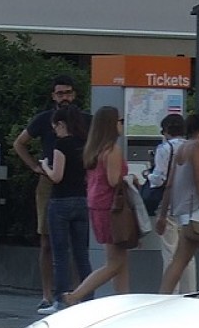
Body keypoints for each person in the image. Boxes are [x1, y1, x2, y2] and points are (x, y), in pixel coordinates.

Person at [12, 75, 87, 311]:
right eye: (60, 93)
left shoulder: (85, 119)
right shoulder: (45, 119)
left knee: (78, 245)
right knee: (47, 241)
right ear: (53, 96)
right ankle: (47, 294)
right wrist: (35, 166)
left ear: (74, 94)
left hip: (76, 183)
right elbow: (19, 143)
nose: (64, 97)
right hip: (50, 181)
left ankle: (76, 293)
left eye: (68, 92)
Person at [61, 106, 132, 305]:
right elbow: (113, 180)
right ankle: (76, 295)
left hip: (97, 206)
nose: (122, 125)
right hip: (113, 210)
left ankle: (124, 301)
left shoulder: (94, 150)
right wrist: (130, 177)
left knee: (120, 260)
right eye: (120, 121)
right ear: (111, 124)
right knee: (115, 263)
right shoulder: (113, 150)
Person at [159, 110, 199, 295]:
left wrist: (162, 215)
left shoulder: (182, 148)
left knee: (179, 262)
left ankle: (160, 300)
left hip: (184, 215)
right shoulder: (198, 147)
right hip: (198, 214)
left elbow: (169, 185)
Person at [36, 105, 92, 315]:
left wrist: (45, 166)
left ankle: (60, 301)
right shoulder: (84, 143)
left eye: (55, 127)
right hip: (81, 200)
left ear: (61, 124)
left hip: (60, 202)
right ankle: (88, 299)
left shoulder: (62, 144)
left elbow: (57, 176)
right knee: (81, 254)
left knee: (60, 254)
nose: (55, 131)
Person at [148, 114, 195, 293]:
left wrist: (147, 176)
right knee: (188, 253)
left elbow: (159, 179)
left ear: (166, 130)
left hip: (168, 203)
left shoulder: (164, 148)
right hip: (189, 204)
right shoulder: (192, 147)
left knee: (170, 251)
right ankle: (189, 291)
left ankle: (170, 293)